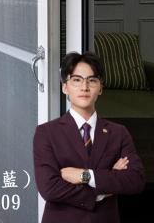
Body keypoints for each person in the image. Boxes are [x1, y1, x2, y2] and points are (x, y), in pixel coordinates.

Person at [33, 51, 145, 222]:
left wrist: (85, 176)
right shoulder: (46, 133)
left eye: (92, 80)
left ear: (100, 88)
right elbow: (49, 188)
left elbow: (135, 180)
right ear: (65, 87)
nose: (84, 87)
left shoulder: (118, 133)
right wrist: (105, 185)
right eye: (77, 80)